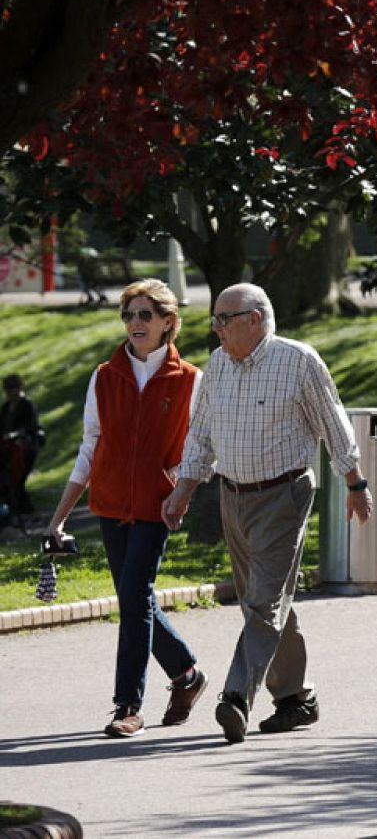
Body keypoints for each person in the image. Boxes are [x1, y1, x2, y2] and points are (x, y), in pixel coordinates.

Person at [161, 283, 373, 744]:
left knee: (262, 601)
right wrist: (184, 490)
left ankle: (236, 696)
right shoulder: (218, 365)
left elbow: (334, 425)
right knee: (264, 599)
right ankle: (297, 698)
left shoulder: (298, 361)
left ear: (254, 319)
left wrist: (355, 483)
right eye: (215, 319)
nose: (215, 328)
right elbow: (200, 436)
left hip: (284, 494)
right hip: (232, 496)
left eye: (224, 319)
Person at [41, 280, 209, 738]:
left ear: (167, 323)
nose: (136, 323)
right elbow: (89, 447)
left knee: (135, 594)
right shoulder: (105, 376)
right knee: (136, 598)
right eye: (130, 315)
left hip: (159, 507)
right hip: (111, 503)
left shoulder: (191, 380)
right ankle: (187, 675)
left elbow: (197, 448)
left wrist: (181, 490)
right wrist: (58, 517)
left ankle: (127, 706)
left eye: (145, 315)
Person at [1, 374, 45, 524]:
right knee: (9, 480)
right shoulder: (6, 407)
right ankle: (19, 512)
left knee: (18, 479)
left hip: (26, 446)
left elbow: (30, 426)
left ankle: (28, 512)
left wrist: (15, 434)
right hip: (9, 448)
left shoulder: (27, 404)